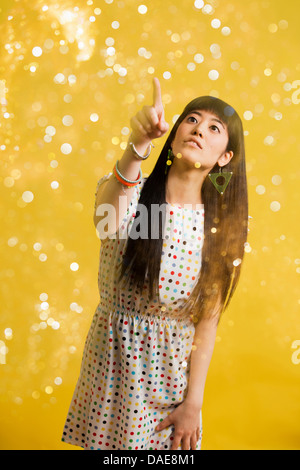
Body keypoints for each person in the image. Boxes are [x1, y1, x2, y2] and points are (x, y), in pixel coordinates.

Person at [61, 77, 248, 451]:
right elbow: (105, 223)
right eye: (191, 119)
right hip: (111, 371)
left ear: (225, 156)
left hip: (171, 388)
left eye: (214, 128)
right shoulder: (129, 191)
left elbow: (207, 321)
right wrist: (139, 143)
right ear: (175, 133)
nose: (199, 130)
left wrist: (193, 403)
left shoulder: (219, 229)